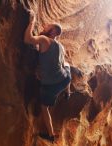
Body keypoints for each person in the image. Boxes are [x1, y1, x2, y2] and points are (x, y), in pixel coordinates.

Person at [24, 11, 82, 142]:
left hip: (50, 85)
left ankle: (51, 135)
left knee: (45, 108)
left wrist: (32, 22)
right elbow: (61, 63)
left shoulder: (44, 40)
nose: (44, 27)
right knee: (66, 65)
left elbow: (27, 39)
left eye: (47, 27)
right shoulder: (60, 47)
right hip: (64, 79)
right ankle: (67, 91)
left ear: (53, 32)